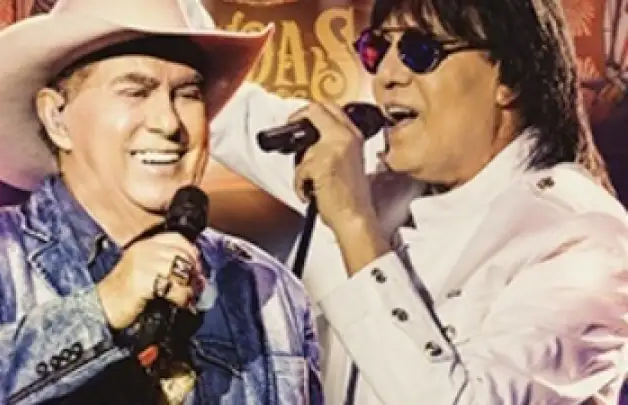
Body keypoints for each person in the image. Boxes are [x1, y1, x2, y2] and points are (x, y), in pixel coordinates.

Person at [186, 0, 628, 403]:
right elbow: (221, 103)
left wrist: (355, 225)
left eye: (420, 51)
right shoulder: (372, 176)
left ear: (509, 77)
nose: (387, 74)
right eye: (377, 49)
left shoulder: (585, 241)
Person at [0, 0, 323, 404]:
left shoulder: (268, 289)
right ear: (57, 118)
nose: (168, 122)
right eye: (135, 91)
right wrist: (101, 310)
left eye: (187, 93)